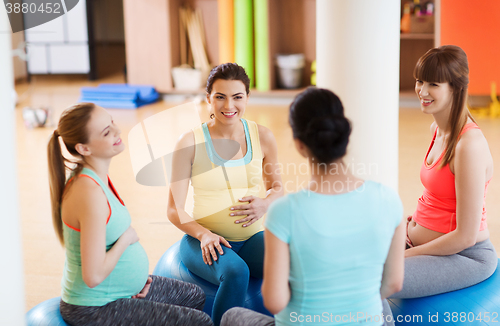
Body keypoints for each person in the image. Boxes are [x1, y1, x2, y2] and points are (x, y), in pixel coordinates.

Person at [220, 87, 406, 326]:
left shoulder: (284, 212)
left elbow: (275, 301)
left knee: (231, 317)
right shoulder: (389, 200)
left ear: (299, 144)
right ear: (345, 136)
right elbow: (394, 284)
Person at [48, 103, 213, 326]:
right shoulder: (88, 192)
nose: (117, 131)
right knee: (199, 322)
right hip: (94, 307)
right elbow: (93, 276)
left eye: (112, 122)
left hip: (118, 292)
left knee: (193, 295)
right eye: (106, 132)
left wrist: (131, 284)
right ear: (84, 149)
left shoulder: (97, 176)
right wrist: (126, 239)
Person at [167, 63, 284, 326]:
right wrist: (204, 234)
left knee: (292, 262)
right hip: (203, 242)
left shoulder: (262, 136)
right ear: (208, 99)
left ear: (247, 98)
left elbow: (278, 189)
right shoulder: (189, 143)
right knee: (236, 272)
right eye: (220, 96)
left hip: (252, 237)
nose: (228, 105)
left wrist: (265, 203)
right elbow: (174, 209)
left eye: (237, 97)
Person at [391, 45, 498, 300]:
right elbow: (438, 198)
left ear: (455, 87)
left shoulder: (468, 145)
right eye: (420, 81)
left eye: (434, 84)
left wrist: (404, 255)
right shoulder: (436, 130)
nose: (422, 91)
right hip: (420, 241)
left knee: (376, 281)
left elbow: (465, 236)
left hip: (465, 256)